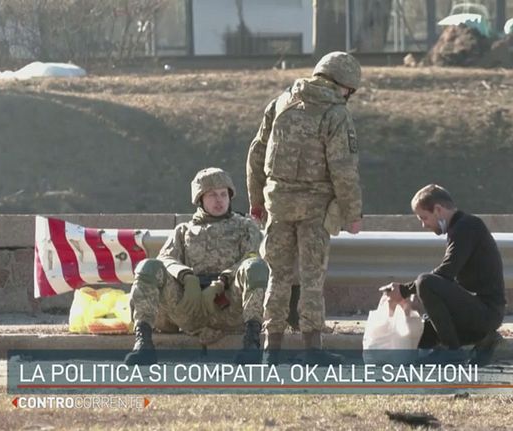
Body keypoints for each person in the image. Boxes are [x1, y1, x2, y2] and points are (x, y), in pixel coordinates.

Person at [246, 51, 363, 359]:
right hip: (315, 209)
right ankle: (313, 348)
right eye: (350, 91)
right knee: (312, 278)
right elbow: (343, 169)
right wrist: (352, 214)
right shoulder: (336, 114)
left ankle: (271, 349)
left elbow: (256, 155)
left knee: (277, 276)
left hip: (277, 205)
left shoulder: (280, 102)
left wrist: (256, 201)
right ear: (344, 84)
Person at [125, 167, 267, 365]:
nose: (219, 200)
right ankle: (143, 344)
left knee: (255, 267)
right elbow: (165, 259)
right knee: (147, 267)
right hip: (189, 304)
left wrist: (223, 280)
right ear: (200, 199)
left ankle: (252, 343)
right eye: (212, 195)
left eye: (223, 194)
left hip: (227, 305)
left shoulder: (246, 226)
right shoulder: (184, 230)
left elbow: (252, 256)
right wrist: (186, 276)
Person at [383, 184, 505, 365]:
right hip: (474, 312)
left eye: (424, 217)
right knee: (418, 335)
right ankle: (485, 339)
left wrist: (405, 290)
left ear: (438, 210)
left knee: (425, 282)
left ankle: (452, 351)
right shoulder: (458, 228)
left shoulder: (467, 227)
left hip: (486, 313)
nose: (424, 225)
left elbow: (446, 272)